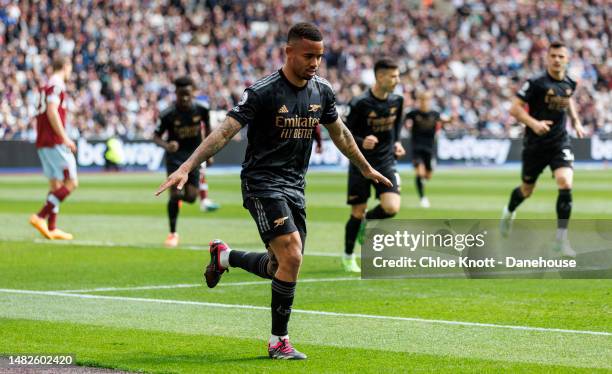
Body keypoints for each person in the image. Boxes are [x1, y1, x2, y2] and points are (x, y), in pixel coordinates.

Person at [156, 22, 391, 360]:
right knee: (292, 255)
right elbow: (223, 133)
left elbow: (340, 133)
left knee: (282, 264)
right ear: (289, 52)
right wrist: (185, 167)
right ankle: (278, 342)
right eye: (308, 56)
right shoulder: (263, 91)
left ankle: (225, 256)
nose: (315, 63)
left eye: (320, 57)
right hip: (261, 182)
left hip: (295, 186)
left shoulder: (322, 91)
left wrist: (366, 167)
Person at [500, 41, 585, 257]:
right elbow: (514, 109)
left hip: (559, 142)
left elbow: (568, 98)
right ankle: (509, 212)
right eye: (553, 56)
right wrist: (534, 123)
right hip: (535, 144)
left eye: (561, 56)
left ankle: (561, 239)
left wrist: (575, 121)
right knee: (526, 190)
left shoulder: (570, 82)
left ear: (566, 59)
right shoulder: (536, 83)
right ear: (547, 58)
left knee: (565, 182)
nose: (557, 60)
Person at [342, 58, 405, 273]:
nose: (397, 80)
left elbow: (396, 126)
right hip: (361, 162)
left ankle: (366, 222)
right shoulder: (359, 103)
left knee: (391, 207)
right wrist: (361, 142)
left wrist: (396, 142)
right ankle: (348, 257)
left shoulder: (398, 100)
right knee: (356, 211)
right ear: (379, 77)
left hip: (386, 160)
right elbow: (343, 133)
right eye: (393, 76)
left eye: (398, 76)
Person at [153, 76, 212, 247]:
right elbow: (155, 137)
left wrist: (209, 154)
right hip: (175, 158)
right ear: (176, 94)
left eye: (187, 94)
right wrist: (167, 145)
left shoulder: (202, 110)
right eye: (181, 95)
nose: (184, 98)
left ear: (193, 92)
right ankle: (172, 234)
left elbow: (208, 132)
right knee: (176, 194)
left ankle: (178, 198)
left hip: (194, 157)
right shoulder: (168, 114)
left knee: (192, 197)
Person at [29, 56, 77, 241]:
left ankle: (52, 227)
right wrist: (65, 138)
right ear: (65, 66)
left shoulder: (45, 86)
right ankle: (40, 216)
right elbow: (51, 110)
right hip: (55, 141)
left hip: (43, 141)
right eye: (70, 67)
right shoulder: (57, 85)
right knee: (71, 183)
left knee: (55, 184)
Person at [405, 91, 447, 208]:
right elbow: (404, 121)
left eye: (426, 100)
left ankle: (423, 179)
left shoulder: (435, 114)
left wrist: (450, 120)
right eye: (422, 100)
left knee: (427, 175)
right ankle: (423, 198)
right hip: (416, 148)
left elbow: (443, 122)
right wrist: (407, 124)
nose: (424, 102)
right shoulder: (413, 114)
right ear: (419, 101)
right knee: (419, 172)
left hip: (429, 148)